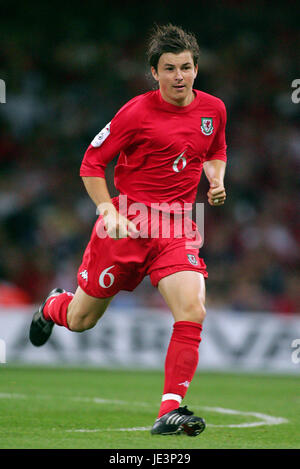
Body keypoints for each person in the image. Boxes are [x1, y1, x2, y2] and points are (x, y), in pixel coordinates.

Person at [29, 23, 227, 437]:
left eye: (186, 68)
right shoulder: (135, 112)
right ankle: (53, 307)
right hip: (127, 224)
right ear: (153, 73)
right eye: (169, 68)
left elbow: (214, 150)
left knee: (192, 309)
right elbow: (90, 164)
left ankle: (170, 410)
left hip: (177, 225)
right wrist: (108, 211)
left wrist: (216, 178)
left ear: (196, 68)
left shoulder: (213, 109)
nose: (179, 76)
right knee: (82, 319)